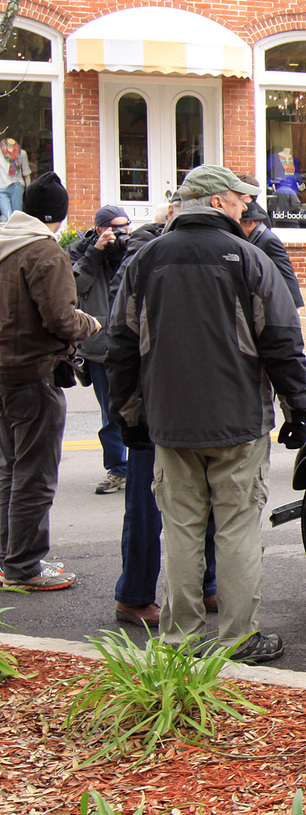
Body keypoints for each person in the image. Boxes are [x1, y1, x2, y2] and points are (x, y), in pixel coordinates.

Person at [106, 164, 306, 662]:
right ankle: (240, 639)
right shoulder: (248, 258)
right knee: (237, 527)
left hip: (169, 425)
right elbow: (281, 341)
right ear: (215, 201)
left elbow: (121, 347)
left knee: (180, 530)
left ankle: (179, 639)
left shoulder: (145, 260)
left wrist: (129, 418)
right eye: (239, 199)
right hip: (238, 423)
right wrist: (297, 407)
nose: (246, 207)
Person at [111, 195, 220, 629]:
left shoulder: (188, 252)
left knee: (206, 496)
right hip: (153, 398)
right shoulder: (145, 255)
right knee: (146, 500)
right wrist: (129, 410)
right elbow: (123, 339)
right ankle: (134, 595)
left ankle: (205, 584)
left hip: (190, 396)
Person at [0, 173, 100, 590]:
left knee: (9, 470)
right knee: (35, 475)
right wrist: (92, 323)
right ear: (58, 214)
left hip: (4, 373)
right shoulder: (44, 252)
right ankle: (24, 566)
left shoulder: (5, 244)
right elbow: (60, 318)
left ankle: (9, 558)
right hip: (34, 372)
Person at [71, 204, 133, 495]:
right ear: (99, 229)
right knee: (111, 412)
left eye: (125, 226)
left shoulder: (133, 250)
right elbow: (72, 288)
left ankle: (142, 466)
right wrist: (95, 252)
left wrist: (123, 250)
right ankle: (118, 469)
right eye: (114, 227)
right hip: (99, 345)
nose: (120, 233)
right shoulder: (80, 252)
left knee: (138, 409)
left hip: (130, 342)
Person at [240, 200, 303, 308]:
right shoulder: (256, 236)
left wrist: (294, 303)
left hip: (279, 300)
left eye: (239, 223)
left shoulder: (268, 240)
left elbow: (285, 270)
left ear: (250, 223)